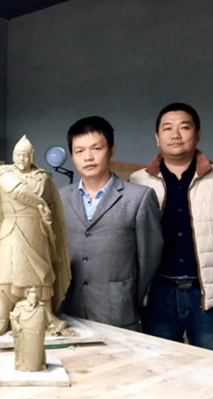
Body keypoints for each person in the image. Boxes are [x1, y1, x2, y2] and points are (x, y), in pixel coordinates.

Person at [130, 103, 213, 353]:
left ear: (197, 134)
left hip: (208, 298)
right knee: (159, 369)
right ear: (157, 138)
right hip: (157, 297)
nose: (175, 135)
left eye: (184, 127)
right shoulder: (138, 181)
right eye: (167, 128)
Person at [59, 116, 163, 330]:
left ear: (112, 149)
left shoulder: (138, 198)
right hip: (68, 308)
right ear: (72, 156)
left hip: (118, 310)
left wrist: (127, 294)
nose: (88, 157)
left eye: (96, 148)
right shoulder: (60, 198)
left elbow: (149, 259)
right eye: (79, 151)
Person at [0, 135, 71, 336]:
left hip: (36, 231)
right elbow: (18, 192)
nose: (21, 159)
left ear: (32, 156)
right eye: (18, 155)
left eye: (25, 155)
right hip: (11, 229)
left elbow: (51, 208)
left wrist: (46, 216)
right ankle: (2, 319)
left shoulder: (43, 178)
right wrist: (39, 203)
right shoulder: (3, 173)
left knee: (40, 276)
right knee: (5, 275)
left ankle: (46, 316)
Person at [10, 287, 50, 372]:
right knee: (25, 351)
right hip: (25, 333)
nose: (33, 300)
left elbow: (49, 319)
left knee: (37, 351)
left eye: (35, 298)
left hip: (38, 334)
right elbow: (13, 317)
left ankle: (38, 365)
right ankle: (24, 366)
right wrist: (17, 325)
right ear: (28, 298)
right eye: (32, 298)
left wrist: (51, 325)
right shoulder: (21, 306)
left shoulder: (41, 307)